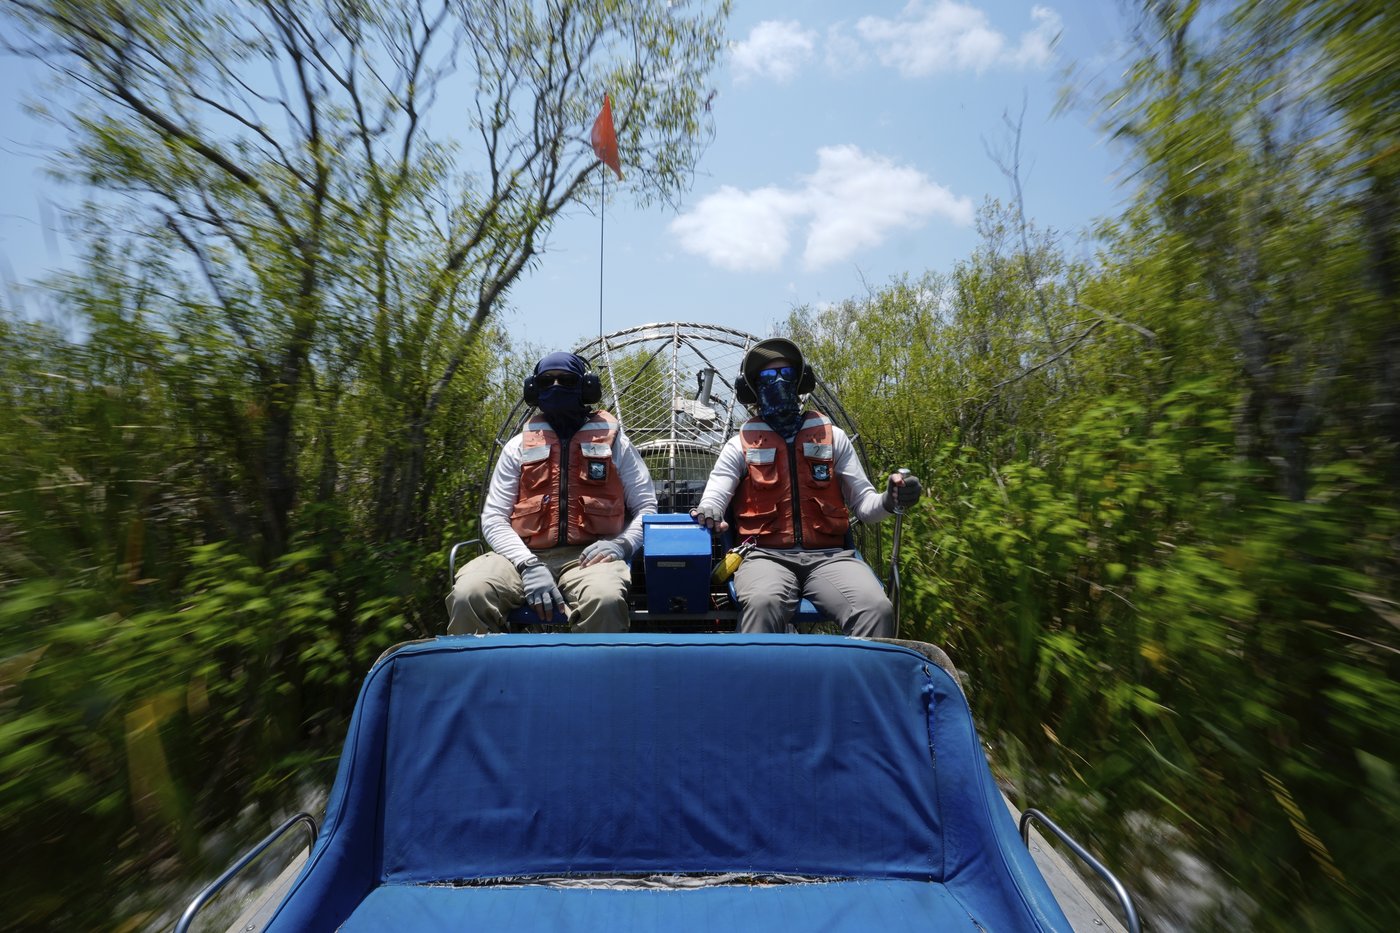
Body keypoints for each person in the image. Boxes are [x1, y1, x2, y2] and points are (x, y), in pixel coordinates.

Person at [690, 337, 921, 637]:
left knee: (875, 608)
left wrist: (890, 500)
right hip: (764, 557)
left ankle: (854, 683)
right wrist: (710, 509)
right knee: (762, 604)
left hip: (830, 557)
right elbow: (715, 494)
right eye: (768, 377)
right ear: (754, 389)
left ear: (800, 382)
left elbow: (865, 507)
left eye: (786, 374)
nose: (779, 383)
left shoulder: (833, 438)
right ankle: (761, 682)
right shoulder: (739, 445)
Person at [447, 351, 657, 634]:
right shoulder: (518, 447)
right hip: (521, 554)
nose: (556, 387)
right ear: (534, 390)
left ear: (586, 388)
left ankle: (595, 675)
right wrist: (528, 564)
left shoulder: (617, 444)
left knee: (605, 600)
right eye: (547, 381)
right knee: (469, 593)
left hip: (591, 557)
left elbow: (646, 508)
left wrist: (621, 545)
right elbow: (494, 519)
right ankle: (481, 675)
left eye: (567, 380)